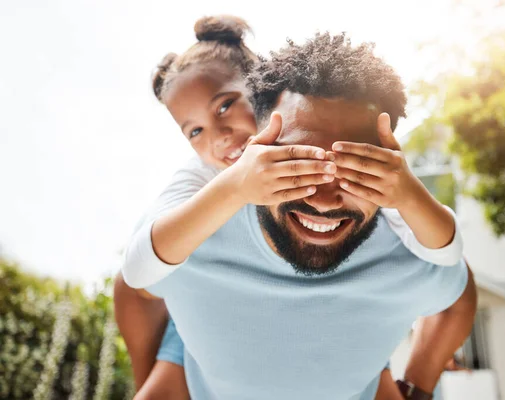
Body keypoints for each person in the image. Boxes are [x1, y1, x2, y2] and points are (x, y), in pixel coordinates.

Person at [114, 16, 464, 399]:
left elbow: (449, 269)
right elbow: (134, 277)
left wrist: (417, 386)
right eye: (194, 131)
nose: (219, 137)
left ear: (260, 86)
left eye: (226, 107)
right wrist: (149, 375)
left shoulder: (383, 206)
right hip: (198, 341)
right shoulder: (200, 191)